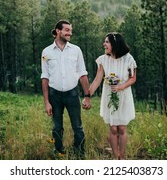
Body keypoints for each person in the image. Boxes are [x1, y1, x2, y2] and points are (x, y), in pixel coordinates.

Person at [41, 20, 91, 159]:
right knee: (57, 127)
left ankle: (80, 155)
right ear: (58, 31)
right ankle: (59, 153)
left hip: (72, 94)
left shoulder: (76, 50)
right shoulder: (46, 52)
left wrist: (87, 96)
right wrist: (47, 102)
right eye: (67, 30)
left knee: (77, 127)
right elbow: (44, 77)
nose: (70, 33)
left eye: (70, 30)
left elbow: (82, 73)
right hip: (54, 95)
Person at [88, 32, 137, 160]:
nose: (104, 44)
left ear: (115, 43)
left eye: (107, 42)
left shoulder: (128, 59)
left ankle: (123, 156)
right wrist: (88, 95)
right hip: (110, 97)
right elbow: (98, 79)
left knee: (121, 128)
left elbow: (133, 78)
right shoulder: (103, 60)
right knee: (113, 129)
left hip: (124, 96)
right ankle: (116, 157)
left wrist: (121, 86)